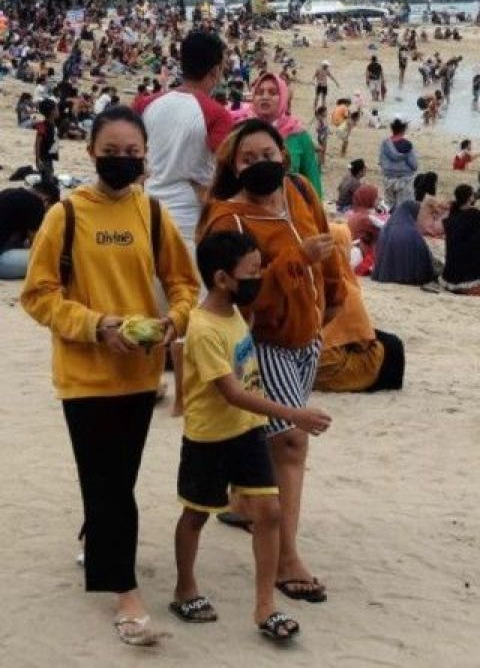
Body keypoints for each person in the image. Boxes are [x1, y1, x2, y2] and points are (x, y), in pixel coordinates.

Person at [21, 106, 200, 646]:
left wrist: (173, 322)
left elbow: (184, 283)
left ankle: (96, 535)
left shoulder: (152, 214)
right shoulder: (66, 216)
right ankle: (125, 593)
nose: (122, 161)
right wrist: (96, 326)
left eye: (133, 153)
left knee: (115, 477)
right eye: (112, 152)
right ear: (92, 151)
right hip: (83, 374)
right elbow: (38, 294)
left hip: (140, 374)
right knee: (110, 485)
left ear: (146, 156)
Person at [197, 119, 346, 604]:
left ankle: (244, 503)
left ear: (284, 154)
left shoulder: (298, 189)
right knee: (290, 442)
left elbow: (325, 240)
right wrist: (295, 260)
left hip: (308, 334)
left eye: (269, 155)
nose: (262, 165)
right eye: (250, 159)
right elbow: (240, 299)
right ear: (234, 167)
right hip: (266, 341)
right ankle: (286, 558)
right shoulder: (229, 221)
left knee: (261, 437)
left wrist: (335, 293)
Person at [175, 231, 331, 640]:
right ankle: (185, 588)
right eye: (253, 271)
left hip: (248, 434)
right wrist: (294, 414)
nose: (259, 277)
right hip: (210, 438)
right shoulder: (204, 327)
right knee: (195, 515)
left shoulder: (237, 314)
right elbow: (232, 392)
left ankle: (265, 607)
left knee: (270, 513)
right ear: (223, 278)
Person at [134, 30, 233, 242]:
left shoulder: (145, 103)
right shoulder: (216, 114)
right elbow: (228, 166)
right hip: (189, 219)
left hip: (146, 210)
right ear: (216, 71)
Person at [315, 224, 406, 392]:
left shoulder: (310, 277)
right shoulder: (343, 288)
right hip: (325, 366)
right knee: (392, 348)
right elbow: (363, 342)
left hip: (301, 359)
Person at [247, 73, 323, 199]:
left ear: (283, 97)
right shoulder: (242, 131)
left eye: (272, 93)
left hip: (290, 209)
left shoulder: (299, 136)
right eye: (259, 92)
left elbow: (312, 182)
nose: (265, 97)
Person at [0, 177, 60, 280]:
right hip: (3, 263)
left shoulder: (9, 192)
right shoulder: (36, 203)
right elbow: (38, 245)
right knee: (52, 259)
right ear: (46, 200)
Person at [372, 200, 436, 287]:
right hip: (408, 278)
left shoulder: (386, 228)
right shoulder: (412, 232)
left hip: (384, 275)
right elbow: (424, 260)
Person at [379, 118, 419, 209]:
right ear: (404, 129)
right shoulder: (408, 145)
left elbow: (381, 161)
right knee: (404, 208)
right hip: (404, 180)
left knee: (388, 206)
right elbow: (414, 165)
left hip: (388, 178)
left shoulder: (385, 144)